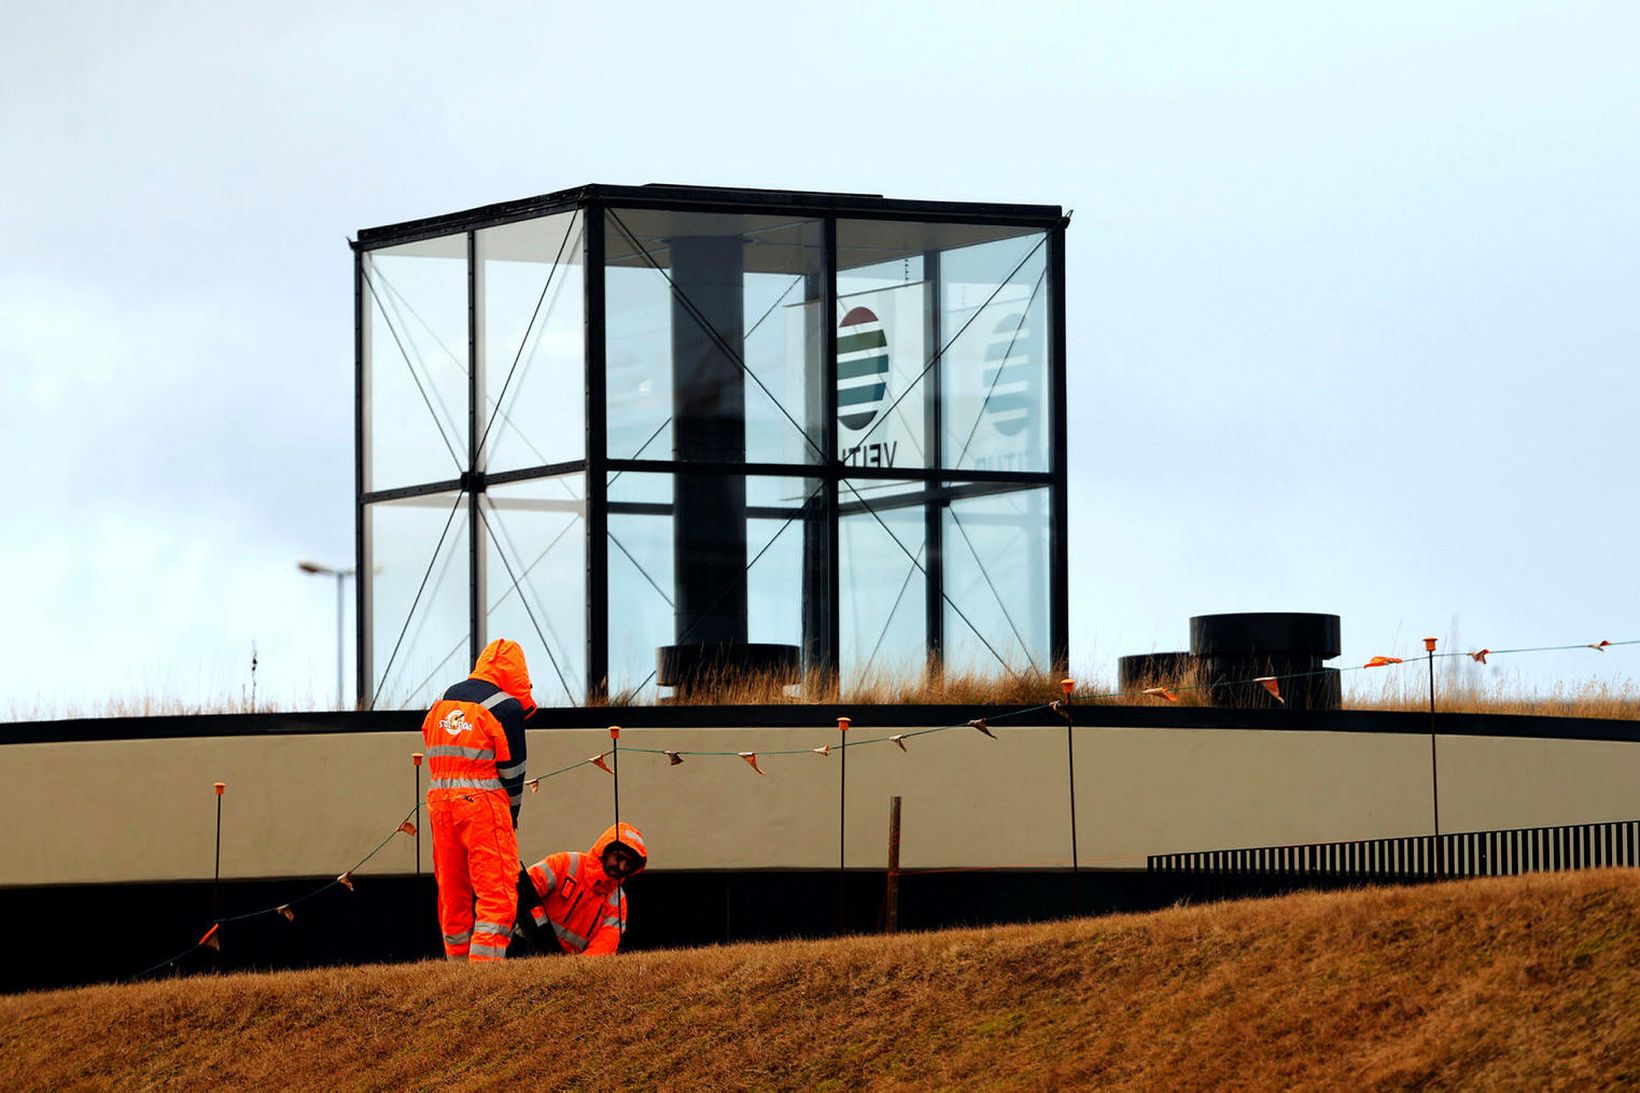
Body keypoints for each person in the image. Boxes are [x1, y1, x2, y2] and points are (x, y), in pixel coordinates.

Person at [421, 637, 535, 961]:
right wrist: (511, 814)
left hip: (439, 802)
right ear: (516, 673)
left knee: (452, 890)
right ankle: (484, 971)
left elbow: (429, 734)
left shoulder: (443, 698)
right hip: (483, 801)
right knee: (495, 889)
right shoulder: (506, 707)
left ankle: (456, 967)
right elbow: (514, 771)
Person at [515, 822, 648, 956]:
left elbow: (601, 952)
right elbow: (518, 893)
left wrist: (570, 971)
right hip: (519, 944)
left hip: (564, 968)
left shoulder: (618, 902)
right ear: (605, 851)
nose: (622, 867)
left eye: (629, 864)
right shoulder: (565, 864)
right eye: (619, 858)